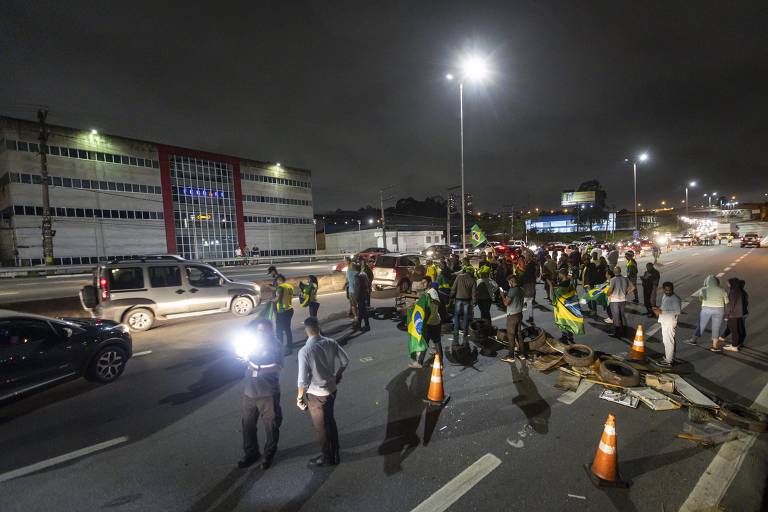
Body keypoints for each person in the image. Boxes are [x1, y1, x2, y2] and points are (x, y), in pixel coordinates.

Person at [297, 317, 349, 467]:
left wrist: (299, 398)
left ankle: (328, 457)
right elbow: (345, 361)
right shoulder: (330, 342)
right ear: (319, 327)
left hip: (317, 394)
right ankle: (336, 452)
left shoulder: (305, 351)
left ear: (306, 331)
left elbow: (302, 380)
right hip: (332, 389)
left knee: (321, 428)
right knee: (330, 421)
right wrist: (337, 375)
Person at [239, 319, 283, 469]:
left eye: (263, 331)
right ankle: (251, 453)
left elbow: (277, 367)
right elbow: (245, 360)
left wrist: (256, 367)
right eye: (258, 331)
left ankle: (268, 454)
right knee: (247, 425)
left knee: (271, 425)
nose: (260, 334)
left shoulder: (275, 344)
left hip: (267, 393)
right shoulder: (252, 343)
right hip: (249, 392)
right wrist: (243, 358)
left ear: (270, 331)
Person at [685, 275, 728, 352]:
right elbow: (726, 301)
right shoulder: (722, 290)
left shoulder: (703, 289)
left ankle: (693, 340)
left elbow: (701, 299)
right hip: (719, 309)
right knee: (716, 327)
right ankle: (714, 346)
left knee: (701, 325)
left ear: (707, 282)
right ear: (717, 282)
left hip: (706, 309)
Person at [415, 278, 445, 367]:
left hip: (434, 322)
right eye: (422, 282)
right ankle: (420, 362)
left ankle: (439, 363)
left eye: (424, 282)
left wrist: (430, 299)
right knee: (427, 342)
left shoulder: (432, 291)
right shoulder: (426, 292)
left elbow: (437, 302)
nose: (423, 284)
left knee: (436, 342)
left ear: (429, 283)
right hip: (428, 321)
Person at [653, 282, 682, 367]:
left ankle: (669, 361)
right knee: (667, 341)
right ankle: (669, 357)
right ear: (663, 289)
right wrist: (658, 309)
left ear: (672, 289)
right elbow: (664, 307)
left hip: (669, 322)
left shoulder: (675, 298)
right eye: (666, 290)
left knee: (668, 341)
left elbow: (678, 311)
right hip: (665, 321)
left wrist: (662, 311)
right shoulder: (665, 296)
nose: (668, 292)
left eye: (670, 290)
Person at [450, 265, 476, 345]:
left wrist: (451, 295)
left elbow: (454, 287)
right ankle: (465, 332)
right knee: (465, 316)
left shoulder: (459, 277)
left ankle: (456, 330)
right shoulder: (472, 280)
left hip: (458, 299)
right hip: (467, 301)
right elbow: (474, 293)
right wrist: (474, 302)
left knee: (457, 315)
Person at [502, 275, 526, 362]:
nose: (509, 284)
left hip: (512, 316)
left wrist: (502, 295)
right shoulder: (521, 289)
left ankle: (511, 356)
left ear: (512, 281)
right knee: (519, 334)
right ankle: (522, 354)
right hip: (519, 314)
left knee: (511, 335)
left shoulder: (512, 290)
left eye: (509, 282)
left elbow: (506, 303)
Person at [606, 266, 634, 338]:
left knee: (616, 317)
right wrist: (626, 293)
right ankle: (624, 332)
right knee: (622, 316)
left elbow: (611, 289)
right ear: (620, 271)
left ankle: (617, 333)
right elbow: (633, 287)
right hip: (623, 300)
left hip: (615, 300)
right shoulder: (625, 278)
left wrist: (607, 294)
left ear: (614, 272)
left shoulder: (613, 279)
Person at [723, 278, 748, 352]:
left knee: (734, 331)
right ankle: (738, 343)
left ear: (732, 284)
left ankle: (734, 346)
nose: (727, 284)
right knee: (739, 329)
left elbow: (730, 305)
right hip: (740, 314)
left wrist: (727, 316)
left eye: (728, 283)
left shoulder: (733, 292)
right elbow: (746, 303)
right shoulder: (741, 291)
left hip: (733, 315)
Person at [273, 275, 295, 355]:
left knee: (279, 330)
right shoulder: (290, 286)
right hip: (289, 309)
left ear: (279, 280)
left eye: (277, 281)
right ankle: (289, 347)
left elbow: (278, 298)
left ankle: (280, 348)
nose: (276, 283)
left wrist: (272, 301)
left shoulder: (280, 287)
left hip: (282, 311)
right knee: (287, 330)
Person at [352, 264, 371, 332]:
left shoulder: (357, 276)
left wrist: (355, 297)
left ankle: (364, 325)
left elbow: (357, 288)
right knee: (362, 311)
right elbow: (368, 283)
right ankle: (361, 325)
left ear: (355, 269)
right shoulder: (364, 274)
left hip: (360, 296)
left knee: (362, 311)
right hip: (365, 294)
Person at [520, 256, 537, 324]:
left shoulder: (529, 266)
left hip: (527, 286)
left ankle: (519, 317)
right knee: (529, 303)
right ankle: (530, 317)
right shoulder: (532, 266)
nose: (525, 258)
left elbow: (525, 276)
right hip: (531, 285)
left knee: (522, 302)